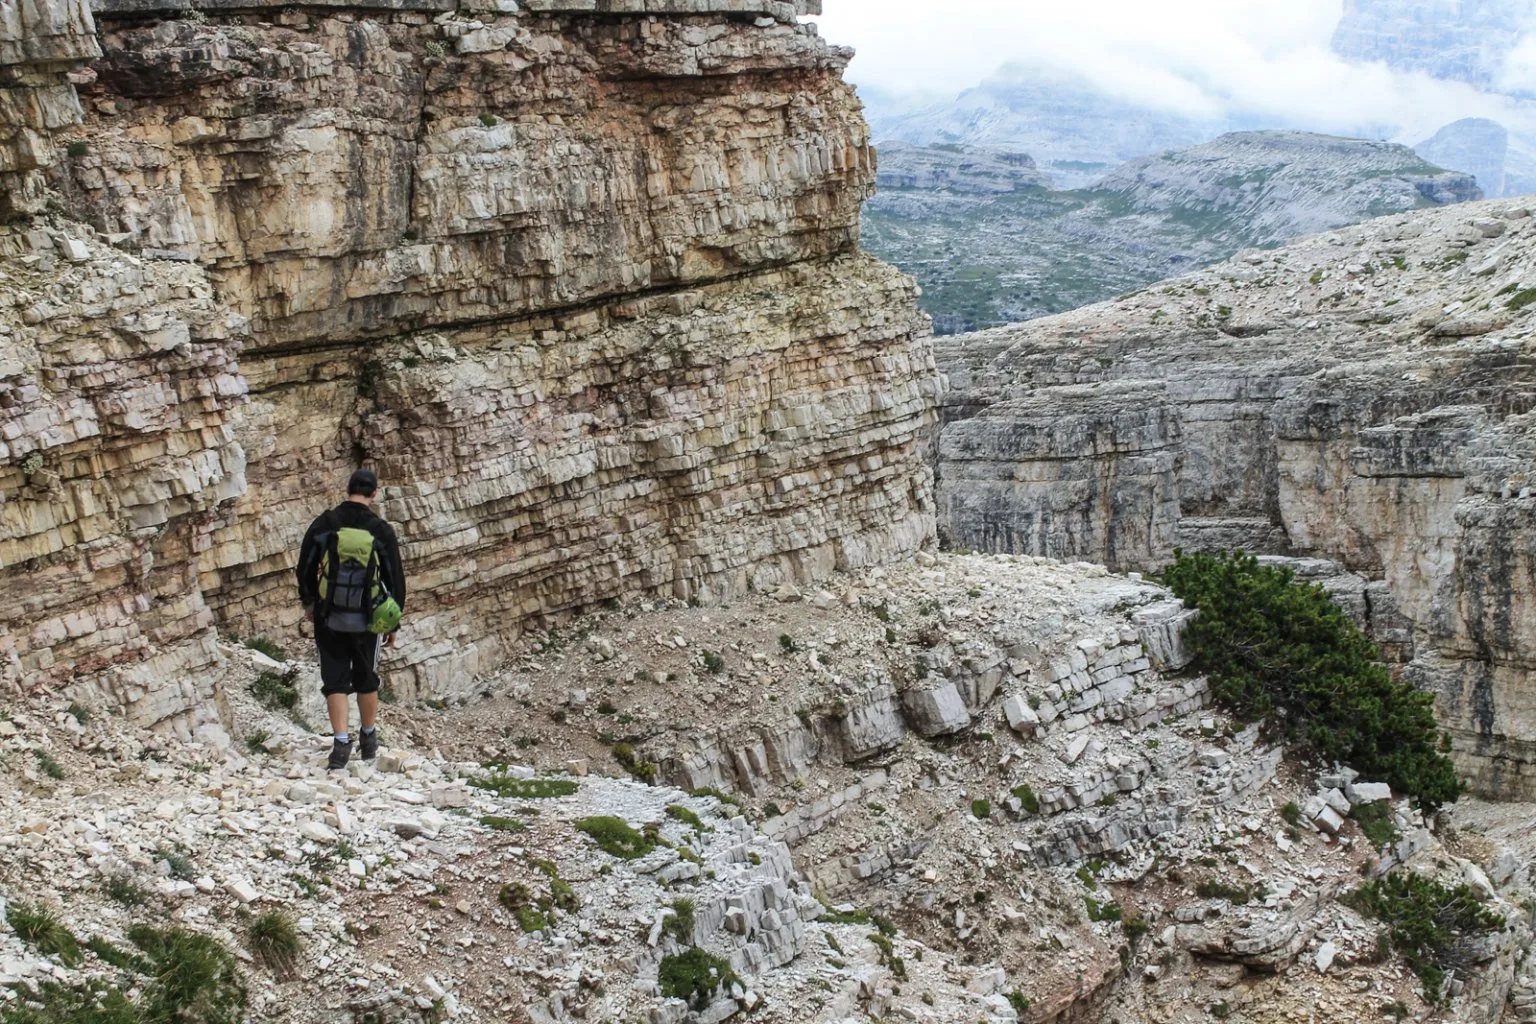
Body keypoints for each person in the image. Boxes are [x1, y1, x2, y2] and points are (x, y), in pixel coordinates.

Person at [295, 469, 406, 769]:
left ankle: (341, 744)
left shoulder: (325, 523)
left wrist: (309, 603)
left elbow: (305, 565)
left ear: (348, 489)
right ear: (374, 493)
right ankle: (368, 737)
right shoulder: (380, 529)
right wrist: (393, 622)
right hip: (367, 619)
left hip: (328, 615)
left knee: (335, 680)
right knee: (366, 677)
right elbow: (395, 577)